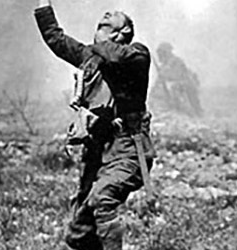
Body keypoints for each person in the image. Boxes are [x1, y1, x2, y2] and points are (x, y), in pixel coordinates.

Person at [35, 0, 155, 249]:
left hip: (128, 150)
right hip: (98, 151)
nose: (108, 12)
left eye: (113, 18)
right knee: (79, 232)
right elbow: (56, 39)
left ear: (121, 33)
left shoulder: (136, 55)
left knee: (102, 198)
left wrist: (100, 44)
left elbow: (113, 53)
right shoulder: (91, 56)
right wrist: (43, 4)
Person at [152, 42, 203, 116]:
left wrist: (165, 75)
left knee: (175, 89)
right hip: (177, 85)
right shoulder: (165, 65)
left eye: (161, 53)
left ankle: (191, 111)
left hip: (186, 84)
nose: (159, 56)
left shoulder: (176, 62)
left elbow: (177, 75)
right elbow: (159, 80)